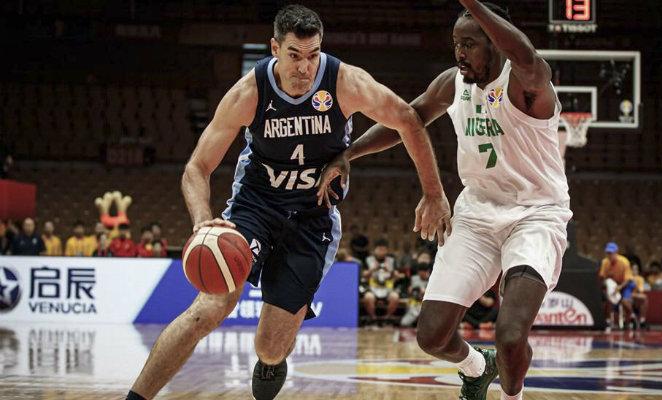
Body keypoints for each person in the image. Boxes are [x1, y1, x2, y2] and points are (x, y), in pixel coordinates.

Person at [126, 5, 450, 400]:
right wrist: (201, 221)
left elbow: (408, 119)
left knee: (270, 347)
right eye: (295, 55)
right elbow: (196, 167)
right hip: (256, 205)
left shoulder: (345, 82)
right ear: (275, 49)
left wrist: (433, 192)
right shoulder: (249, 93)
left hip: (313, 217)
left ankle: (271, 360)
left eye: (313, 55)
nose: (305, 67)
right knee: (207, 309)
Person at [318, 2, 572, 398]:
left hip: (535, 214)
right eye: (456, 43)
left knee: (510, 335)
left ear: (495, 43)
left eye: (469, 44)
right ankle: (477, 366)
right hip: (477, 211)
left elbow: (524, 53)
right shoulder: (453, 83)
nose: (459, 53)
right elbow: (408, 120)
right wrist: (349, 154)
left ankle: (512, 395)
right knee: (432, 335)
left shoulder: (526, 81)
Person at [362, 239, 403, 324]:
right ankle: (373, 319)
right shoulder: (368, 260)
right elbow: (364, 275)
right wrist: (373, 269)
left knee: (395, 297)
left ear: (387, 250)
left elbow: (398, 276)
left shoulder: (391, 260)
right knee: (368, 297)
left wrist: (389, 270)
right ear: (375, 250)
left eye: (384, 250)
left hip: (388, 289)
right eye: (379, 249)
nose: (381, 252)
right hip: (373, 289)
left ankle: (386, 318)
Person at [598, 242, 633, 331]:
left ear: (616, 252)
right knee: (607, 301)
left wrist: (619, 287)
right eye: (608, 253)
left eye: (611, 253)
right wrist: (606, 287)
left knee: (625, 302)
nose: (609, 255)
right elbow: (602, 277)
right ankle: (608, 321)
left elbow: (628, 279)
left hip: (625, 284)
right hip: (612, 286)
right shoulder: (605, 262)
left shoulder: (624, 262)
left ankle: (629, 320)